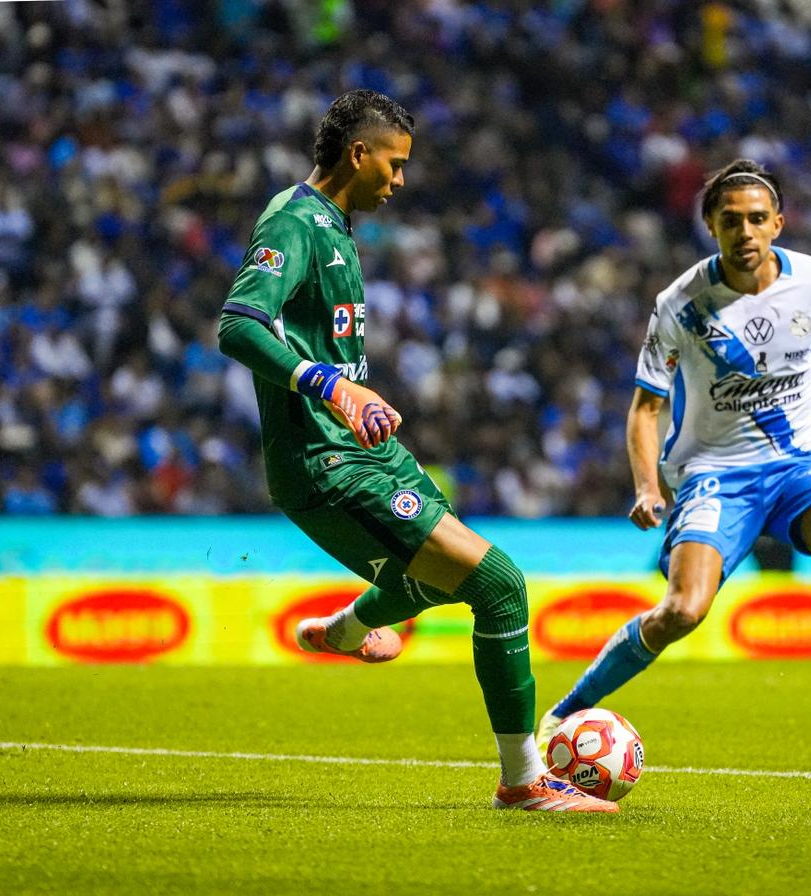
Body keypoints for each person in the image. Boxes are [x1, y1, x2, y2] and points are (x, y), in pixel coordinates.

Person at [217, 89, 614, 812]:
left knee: (440, 582)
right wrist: (332, 387)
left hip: (368, 451)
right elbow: (238, 325)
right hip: (326, 461)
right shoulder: (294, 221)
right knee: (500, 585)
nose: (400, 180)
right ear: (357, 154)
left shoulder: (334, 227)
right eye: (394, 164)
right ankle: (523, 782)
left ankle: (347, 628)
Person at [538, 160, 811, 765]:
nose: (744, 231)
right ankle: (562, 715)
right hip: (713, 476)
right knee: (682, 611)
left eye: (756, 219)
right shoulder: (681, 303)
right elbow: (644, 408)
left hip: (796, 469)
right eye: (731, 221)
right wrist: (646, 485)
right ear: (712, 227)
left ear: (777, 224)